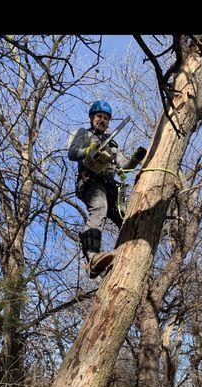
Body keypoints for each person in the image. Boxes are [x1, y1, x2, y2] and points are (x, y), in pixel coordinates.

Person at [68, 100, 147, 278]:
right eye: (99, 116)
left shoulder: (112, 144)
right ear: (91, 118)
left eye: (105, 118)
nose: (102, 120)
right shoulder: (83, 134)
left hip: (110, 185)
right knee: (100, 207)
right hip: (91, 182)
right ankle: (92, 257)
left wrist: (135, 159)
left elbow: (124, 166)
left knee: (126, 217)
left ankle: (130, 259)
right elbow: (72, 153)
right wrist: (87, 151)